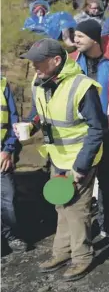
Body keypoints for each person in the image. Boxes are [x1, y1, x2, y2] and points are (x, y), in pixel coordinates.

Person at [21, 39, 107, 281]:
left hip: (80, 157)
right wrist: (31, 124)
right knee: (61, 204)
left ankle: (82, 257)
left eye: (38, 61)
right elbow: (38, 112)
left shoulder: (81, 87)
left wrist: (81, 166)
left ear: (56, 61)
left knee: (77, 209)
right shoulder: (39, 81)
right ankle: (61, 252)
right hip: (57, 155)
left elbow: (97, 129)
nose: (34, 65)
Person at [70, 20, 109, 239]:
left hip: (106, 130)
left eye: (80, 36)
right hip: (80, 131)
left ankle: (108, 225)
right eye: (74, 36)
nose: (75, 40)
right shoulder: (72, 63)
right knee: (80, 179)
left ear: (94, 39)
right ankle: (80, 232)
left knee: (106, 180)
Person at [1, 76, 28, 253]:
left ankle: (11, 236)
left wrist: (8, 150)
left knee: (7, 199)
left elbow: (13, 120)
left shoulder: (2, 84)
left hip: (1, 153)